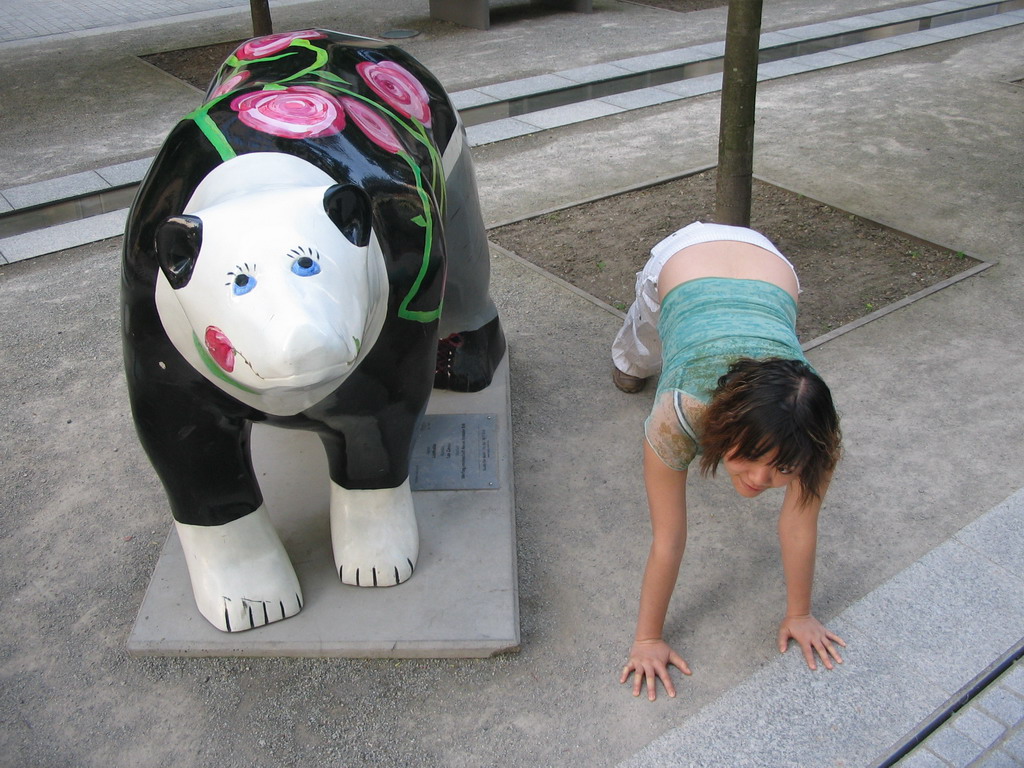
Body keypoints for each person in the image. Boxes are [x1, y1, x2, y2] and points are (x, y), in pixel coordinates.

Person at [613, 220, 845, 701]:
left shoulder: (815, 433)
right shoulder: (679, 412)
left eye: (783, 467)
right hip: (681, 258)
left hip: (771, 267)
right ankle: (627, 360)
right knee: (643, 344)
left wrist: (799, 613)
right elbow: (669, 538)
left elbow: (800, 525)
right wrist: (647, 639)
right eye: (753, 456)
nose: (762, 480)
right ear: (724, 429)